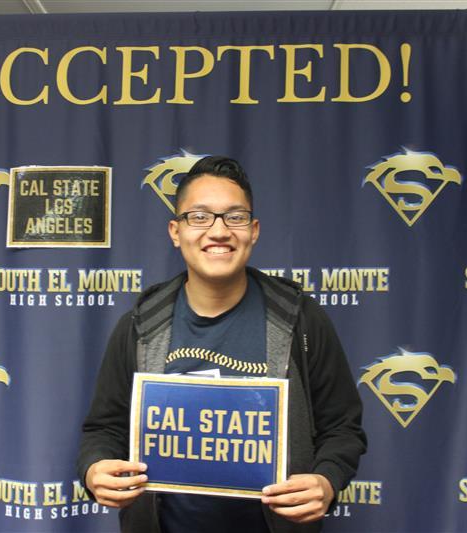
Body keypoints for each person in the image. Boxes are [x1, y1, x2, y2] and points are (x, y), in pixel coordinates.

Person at [77, 156, 366, 532]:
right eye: (199, 217)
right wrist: (95, 468)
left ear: (254, 230)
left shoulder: (300, 318)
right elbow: (103, 429)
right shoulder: (141, 323)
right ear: (175, 231)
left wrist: (326, 480)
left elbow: (342, 428)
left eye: (235, 217)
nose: (218, 231)